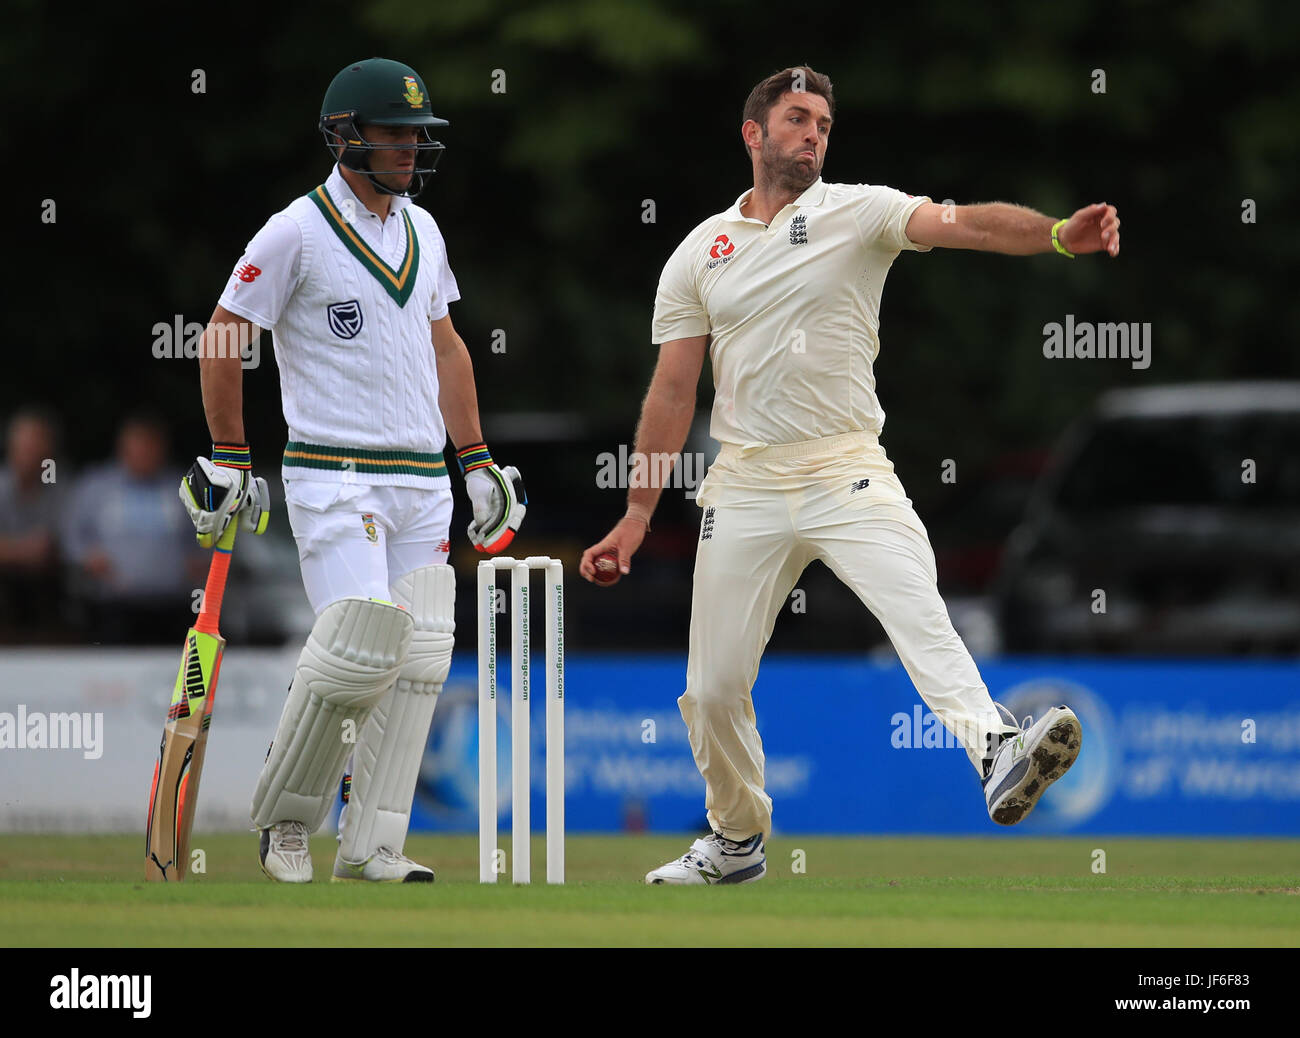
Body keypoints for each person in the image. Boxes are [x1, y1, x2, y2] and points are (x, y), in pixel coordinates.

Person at [580, 66, 1115, 885]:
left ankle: (998, 748)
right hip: (746, 483)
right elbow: (674, 387)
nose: (814, 135)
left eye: (824, 124)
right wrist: (637, 513)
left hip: (847, 466)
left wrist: (1053, 235)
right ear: (754, 134)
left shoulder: (859, 211)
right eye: (797, 119)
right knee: (714, 688)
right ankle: (734, 842)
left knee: (917, 612)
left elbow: (967, 225)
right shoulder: (700, 251)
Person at [182, 57, 525, 884]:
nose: (412, 147)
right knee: (362, 638)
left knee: (421, 657)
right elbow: (224, 336)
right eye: (396, 133)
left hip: (420, 480)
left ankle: (370, 843)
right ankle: (286, 822)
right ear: (346, 136)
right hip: (333, 474)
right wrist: (229, 455)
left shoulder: (424, 229)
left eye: (419, 134)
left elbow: (445, 345)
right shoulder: (294, 231)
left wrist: (474, 459)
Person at [64, 412, 205, 644]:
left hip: (172, 604)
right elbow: (71, 534)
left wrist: (200, 559)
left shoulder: (183, 486)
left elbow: (207, 534)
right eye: (138, 446)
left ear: (162, 449)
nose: (144, 453)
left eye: (151, 446)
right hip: (112, 605)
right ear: (123, 448)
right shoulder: (96, 486)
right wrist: (86, 557)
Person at [0, 408, 65, 641]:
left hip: (48, 583)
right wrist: (23, 551)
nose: (32, 452)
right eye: (26, 446)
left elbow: (59, 543)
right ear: (11, 447)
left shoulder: (58, 484)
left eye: (38, 445)